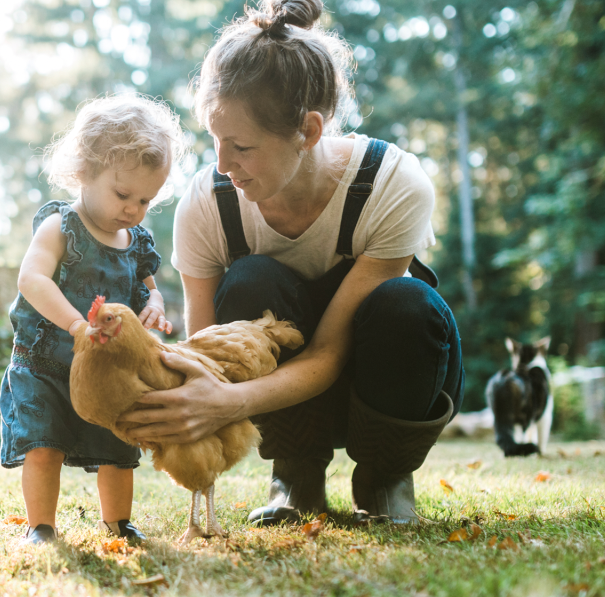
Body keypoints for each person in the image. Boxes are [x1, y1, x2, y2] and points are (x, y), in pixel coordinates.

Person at [116, 0, 464, 525]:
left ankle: (385, 478)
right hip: (282, 403)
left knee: (407, 302)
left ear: (308, 130)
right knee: (252, 279)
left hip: (390, 380)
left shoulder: (393, 184)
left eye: (242, 147)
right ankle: (295, 479)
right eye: (215, 140)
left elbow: (327, 354)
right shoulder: (209, 203)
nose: (223, 165)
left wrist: (229, 404)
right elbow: (210, 353)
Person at [0, 94, 184, 544]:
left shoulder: (136, 241)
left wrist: (154, 306)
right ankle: (41, 527)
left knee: (117, 451)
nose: (134, 209)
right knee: (43, 445)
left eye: (145, 199)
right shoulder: (61, 226)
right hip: (46, 361)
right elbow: (32, 278)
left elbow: (148, 286)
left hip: (105, 372)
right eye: (123, 195)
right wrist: (76, 325)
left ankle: (119, 522)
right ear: (84, 172)